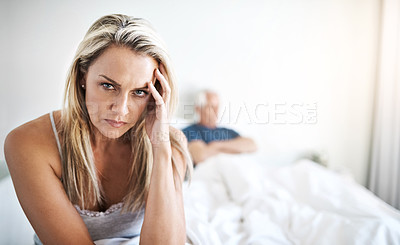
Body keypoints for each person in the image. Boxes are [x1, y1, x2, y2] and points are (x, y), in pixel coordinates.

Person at [4, 14, 192, 245]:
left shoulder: (170, 144)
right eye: (108, 86)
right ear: (83, 76)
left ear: (157, 93)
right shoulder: (28, 143)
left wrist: (161, 149)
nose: (121, 109)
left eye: (140, 92)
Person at [182, 90, 257, 165]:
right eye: (211, 107)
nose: (216, 110)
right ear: (198, 109)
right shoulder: (190, 131)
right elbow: (201, 156)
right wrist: (235, 149)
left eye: (217, 107)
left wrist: (216, 145)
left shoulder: (226, 131)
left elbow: (252, 145)